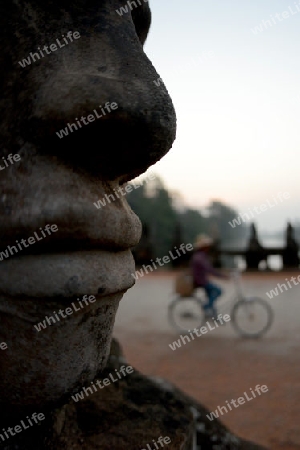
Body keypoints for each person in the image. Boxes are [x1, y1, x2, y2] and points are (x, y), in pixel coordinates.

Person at [191, 234, 228, 318]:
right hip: (201, 281)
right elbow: (209, 269)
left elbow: (209, 269)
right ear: (204, 247)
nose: (208, 247)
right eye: (206, 246)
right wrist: (222, 276)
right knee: (218, 291)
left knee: (211, 295)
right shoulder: (199, 257)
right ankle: (206, 307)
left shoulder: (201, 255)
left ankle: (214, 316)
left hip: (202, 280)